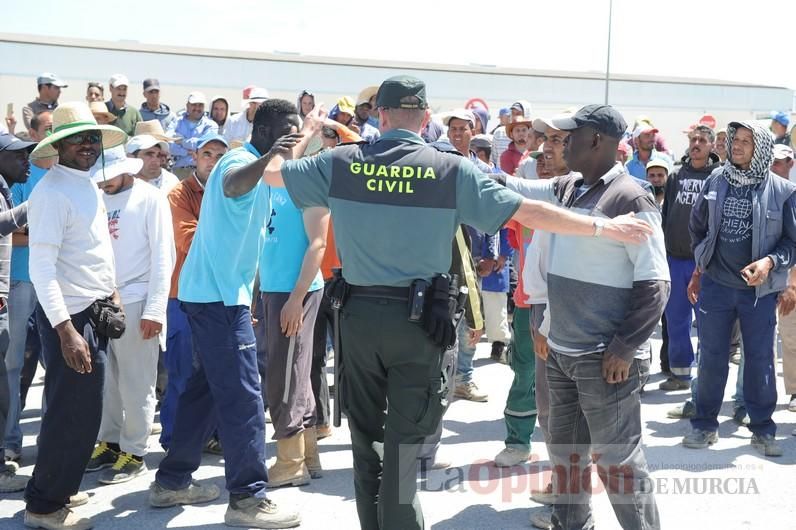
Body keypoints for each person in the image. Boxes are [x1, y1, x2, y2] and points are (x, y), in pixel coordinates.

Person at [260, 76, 654, 530]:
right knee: (405, 453)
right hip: (418, 325)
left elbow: (272, 172)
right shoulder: (449, 169)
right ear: (426, 118)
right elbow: (525, 211)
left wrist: (307, 129)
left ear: (381, 115)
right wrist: (604, 228)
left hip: (358, 319)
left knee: (367, 445)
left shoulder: (341, 161)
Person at [500, 104, 668, 530]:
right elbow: (511, 188)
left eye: (570, 136)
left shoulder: (630, 195)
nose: (560, 144)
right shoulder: (570, 187)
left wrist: (624, 347)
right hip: (562, 353)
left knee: (618, 463)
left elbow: (656, 284)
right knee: (565, 456)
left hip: (603, 360)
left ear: (596, 140)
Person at [150, 99, 301, 529]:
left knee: (206, 390)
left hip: (216, 295)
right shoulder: (239, 160)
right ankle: (248, 498)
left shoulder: (264, 167)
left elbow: (244, 241)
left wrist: (247, 295)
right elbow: (234, 185)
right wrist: (272, 156)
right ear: (271, 132)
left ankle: (172, 480)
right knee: (243, 396)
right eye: (290, 129)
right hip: (213, 297)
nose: (295, 137)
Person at [23, 102, 127, 530]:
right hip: (69, 317)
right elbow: (41, 267)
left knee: (81, 410)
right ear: (58, 145)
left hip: (94, 310)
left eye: (93, 138)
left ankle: (59, 488)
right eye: (78, 139)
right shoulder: (49, 193)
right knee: (72, 412)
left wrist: (113, 292)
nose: (88, 145)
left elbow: (96, 249)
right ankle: (44, 507)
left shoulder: (85, 183)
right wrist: (66, 331)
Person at [683, 120, 796, 458]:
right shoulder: (716, 180)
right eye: (736, 140)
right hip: (716, 286)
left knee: (760, 360)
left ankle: (762, 428)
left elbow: (792, 242)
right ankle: (704, 424)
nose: (739, 146)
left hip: (758, 293)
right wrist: (700, 268)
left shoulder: (782, 190)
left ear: (760, 146)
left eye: (747, 141)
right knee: (711, 357)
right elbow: (698, 226)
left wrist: (770, 264)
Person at [85, 146, 174, 485]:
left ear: (125, 169)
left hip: (138, 301)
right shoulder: (97, 198)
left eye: (107, 177)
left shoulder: (150, 198)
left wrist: (155, 309)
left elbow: (163, 256)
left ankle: (135, 452)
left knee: (137, 383)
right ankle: (109, 442)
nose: (103, 183)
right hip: (102, 301)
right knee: (107, 381)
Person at [258, 152, 328, 487]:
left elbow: (318, 244)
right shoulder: (271, 184)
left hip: (295, 291)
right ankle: (307, 456)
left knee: (284, 376)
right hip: (273, 289)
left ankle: (290, 463)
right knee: (293, 373)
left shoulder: (311, 188)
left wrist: (296, 298)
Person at [161, 134, 229, 450]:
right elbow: (188, 240)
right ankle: (175, 440)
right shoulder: (179, 193)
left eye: (219, 154)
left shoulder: (230, 191)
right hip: (184, 295)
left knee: (215, 372)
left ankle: (211, 435)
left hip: (221, 294)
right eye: (207, 153)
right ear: (194, 156)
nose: (213, 160)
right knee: (182, 372)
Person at [3, 113, 52, 465]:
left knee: (60, 363)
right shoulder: (21, 176)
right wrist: (47, 236)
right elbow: (11, 232)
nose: (51, 138)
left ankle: (51, 438)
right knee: (12, 363)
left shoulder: (65, 177)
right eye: (47, 131)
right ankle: (10, 442)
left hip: (53, 282)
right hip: (19, 281)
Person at [659, 125, 719, 392]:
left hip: (705, 264)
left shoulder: (719, 177)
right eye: (693, 139)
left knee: (707, 323)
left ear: (712, 146)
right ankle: (680, 374)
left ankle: (707, 378)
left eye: (702, 140)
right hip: (675, 259)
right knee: (676, 319)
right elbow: (666, 215)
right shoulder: (675, 175)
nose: (696, 144)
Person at [0, 133, 35, 493]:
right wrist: (37, 206)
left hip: (15, 290)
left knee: (8, 373)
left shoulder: (7, 188)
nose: (26, 160)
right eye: (17, 156)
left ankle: (6, 446)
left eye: (28, 154)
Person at [171, 92, 219, 180]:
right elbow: (168, 145)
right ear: (187, 106)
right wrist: (186, 152)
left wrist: (182, 141)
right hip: (178, 172)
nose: (197, 108)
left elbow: (205, 145)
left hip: (201, 173)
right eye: (194, 104)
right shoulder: (176, 122)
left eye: (200, 105)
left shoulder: (211, 125)